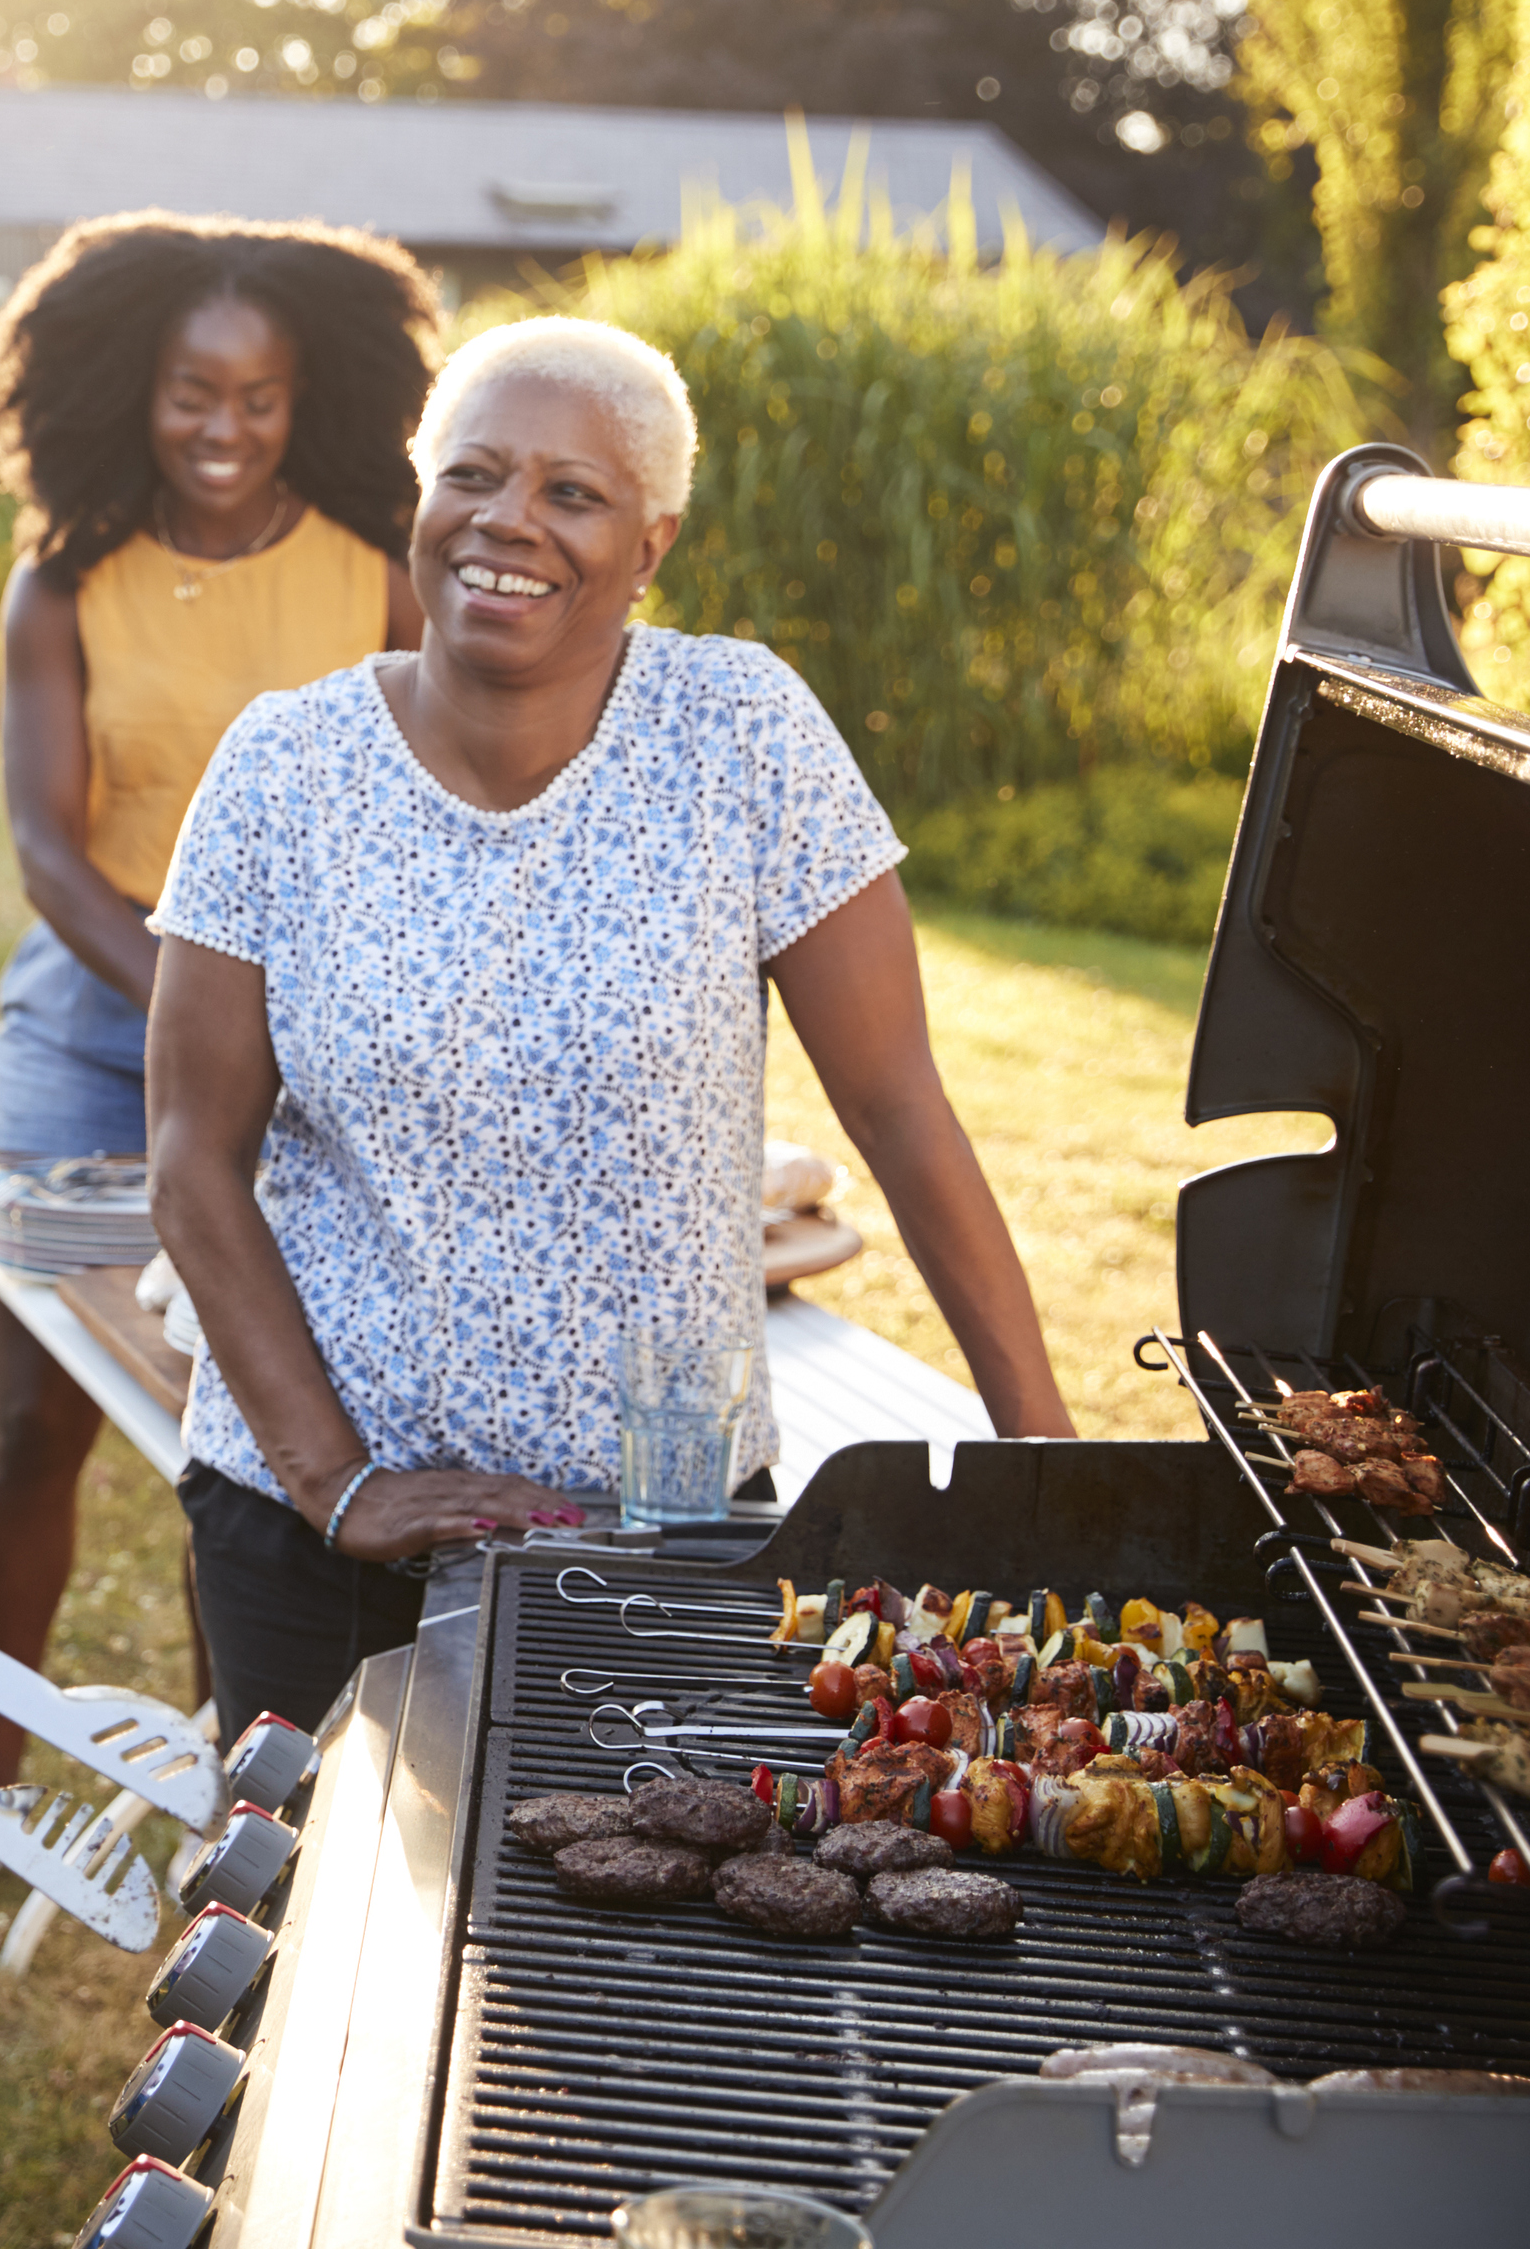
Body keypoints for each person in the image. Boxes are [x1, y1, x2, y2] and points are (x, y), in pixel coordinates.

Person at [146, 316, 1076, 1740]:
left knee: (632, 1915)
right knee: (313, 1941)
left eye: (571, 494)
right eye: (474, 475)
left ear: (650, 544)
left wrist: (1047, 1470)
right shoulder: (285, 764)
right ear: (421, 493)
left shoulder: (742, 736)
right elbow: (189, 1157)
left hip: (662, 1519)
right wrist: (335, 1481)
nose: (506, 522)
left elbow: (898, 1110)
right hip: (316, 1535)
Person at [0, 215, 439, 1914]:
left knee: (247, 1440)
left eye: (260, 397)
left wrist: (304, 1031)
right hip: (87, 1046)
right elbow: (47, 852)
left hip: (320, 1067)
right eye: (195, 391)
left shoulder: (376, 565)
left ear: (303, 399)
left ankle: (236, 1818)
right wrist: (210, 1011)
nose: (226, 425)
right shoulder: (60, 580)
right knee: (29, 1430)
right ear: (132, 392)